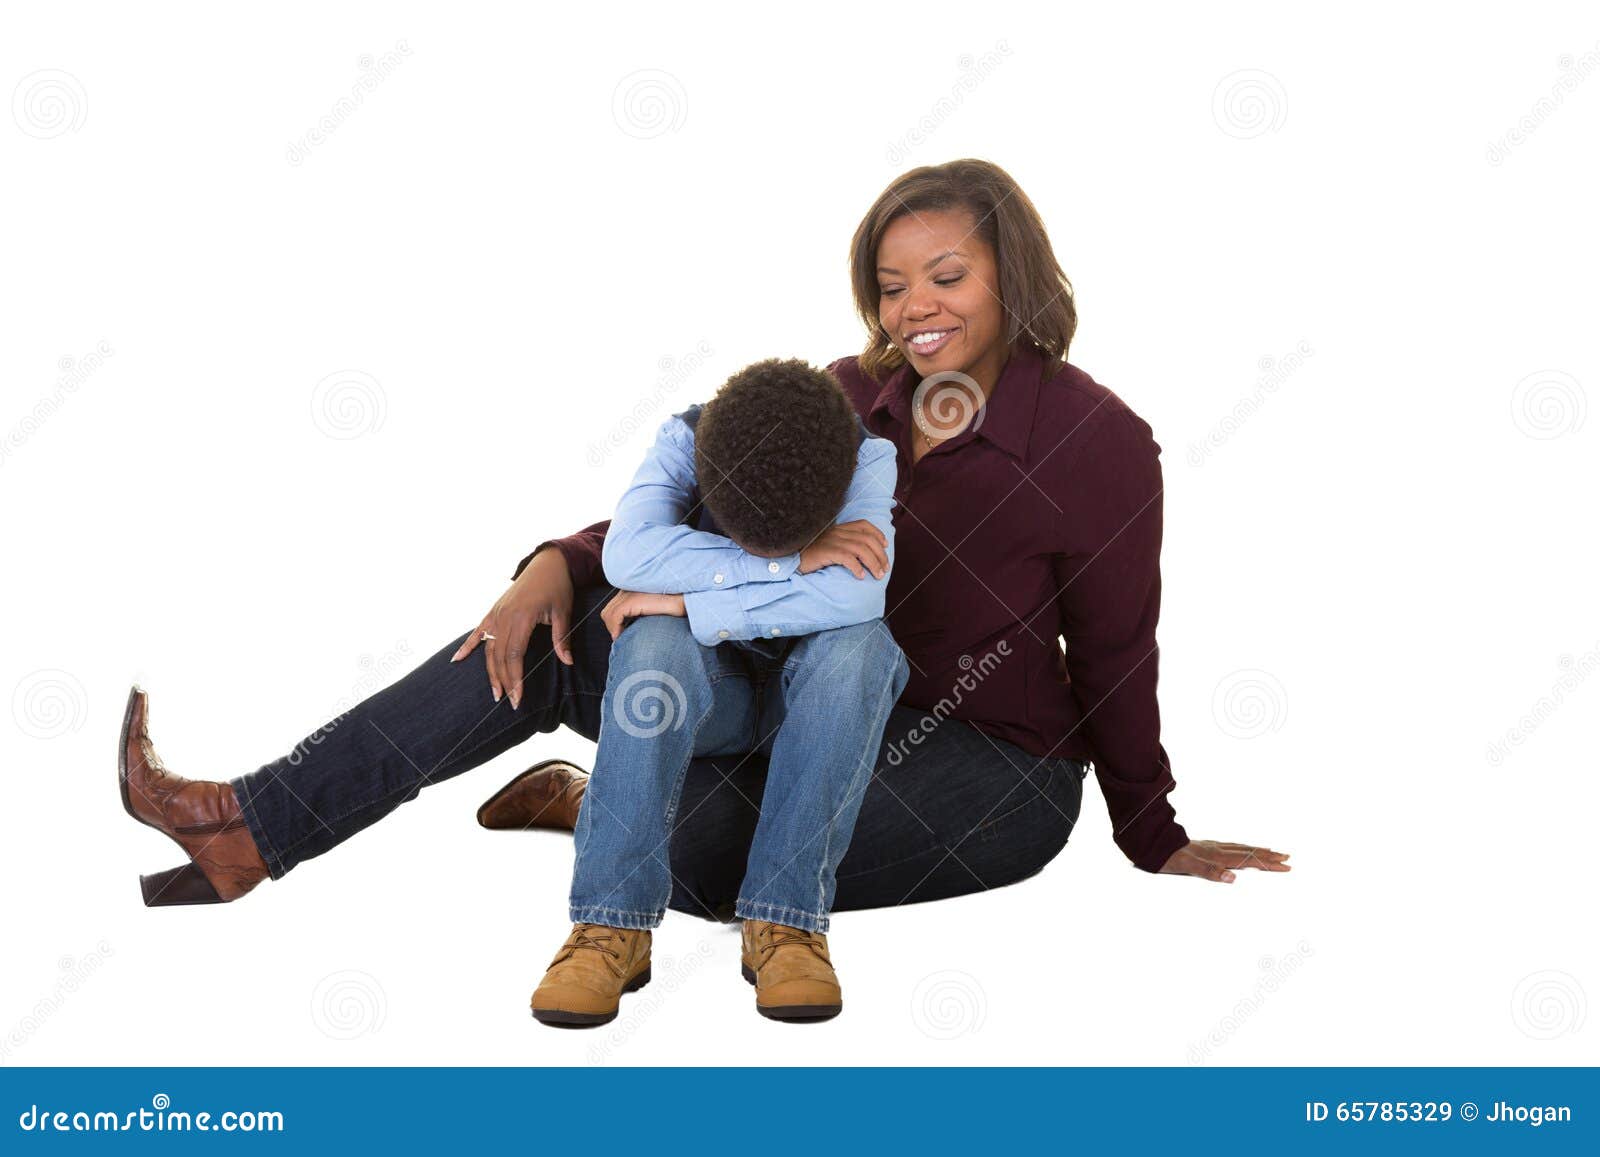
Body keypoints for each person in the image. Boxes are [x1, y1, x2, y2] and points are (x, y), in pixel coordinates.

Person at [118, 158, 1287, 1011]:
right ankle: (253, 824)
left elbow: (1119, 650)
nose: (914, 309)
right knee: (561, 632)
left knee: (727, 852)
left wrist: (1152, 830)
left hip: (984, 766)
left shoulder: (1096, 441)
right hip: (781, 696)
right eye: (890, 286)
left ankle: (601, 805)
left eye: (946, 276)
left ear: (1009, 272)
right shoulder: (842, 395)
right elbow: (695, 504)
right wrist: (555, 562)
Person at [528, 358, 907, 1026]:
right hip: (713, 696)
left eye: (790, 541)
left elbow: (857, 590)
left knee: (863, 645)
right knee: (649, 638)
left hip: (815, 700)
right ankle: (612, 921)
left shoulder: (869, 456)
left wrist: (687, 598)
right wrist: (790, 563)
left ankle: (785, 919)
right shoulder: (682, 438)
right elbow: (628, 557)